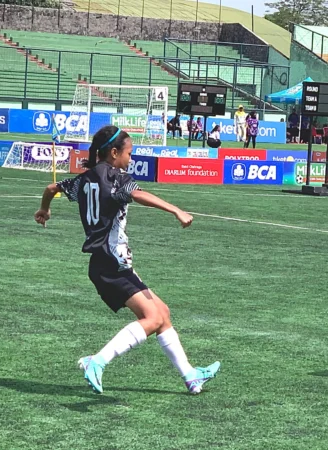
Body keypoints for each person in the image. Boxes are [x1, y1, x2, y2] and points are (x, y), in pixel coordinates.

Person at [33, 125, 221, 395]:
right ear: (113, 153)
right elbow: (138, 194)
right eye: (129, 153)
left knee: (163, 313)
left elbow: (51, 187)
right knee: (152, 318)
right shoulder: (116, 178)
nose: (130, 158)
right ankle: (96, 361)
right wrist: (175, 209)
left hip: (108, 263)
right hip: (111, 264)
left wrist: (44, 209)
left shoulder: (83, 180)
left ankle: (190, 375)